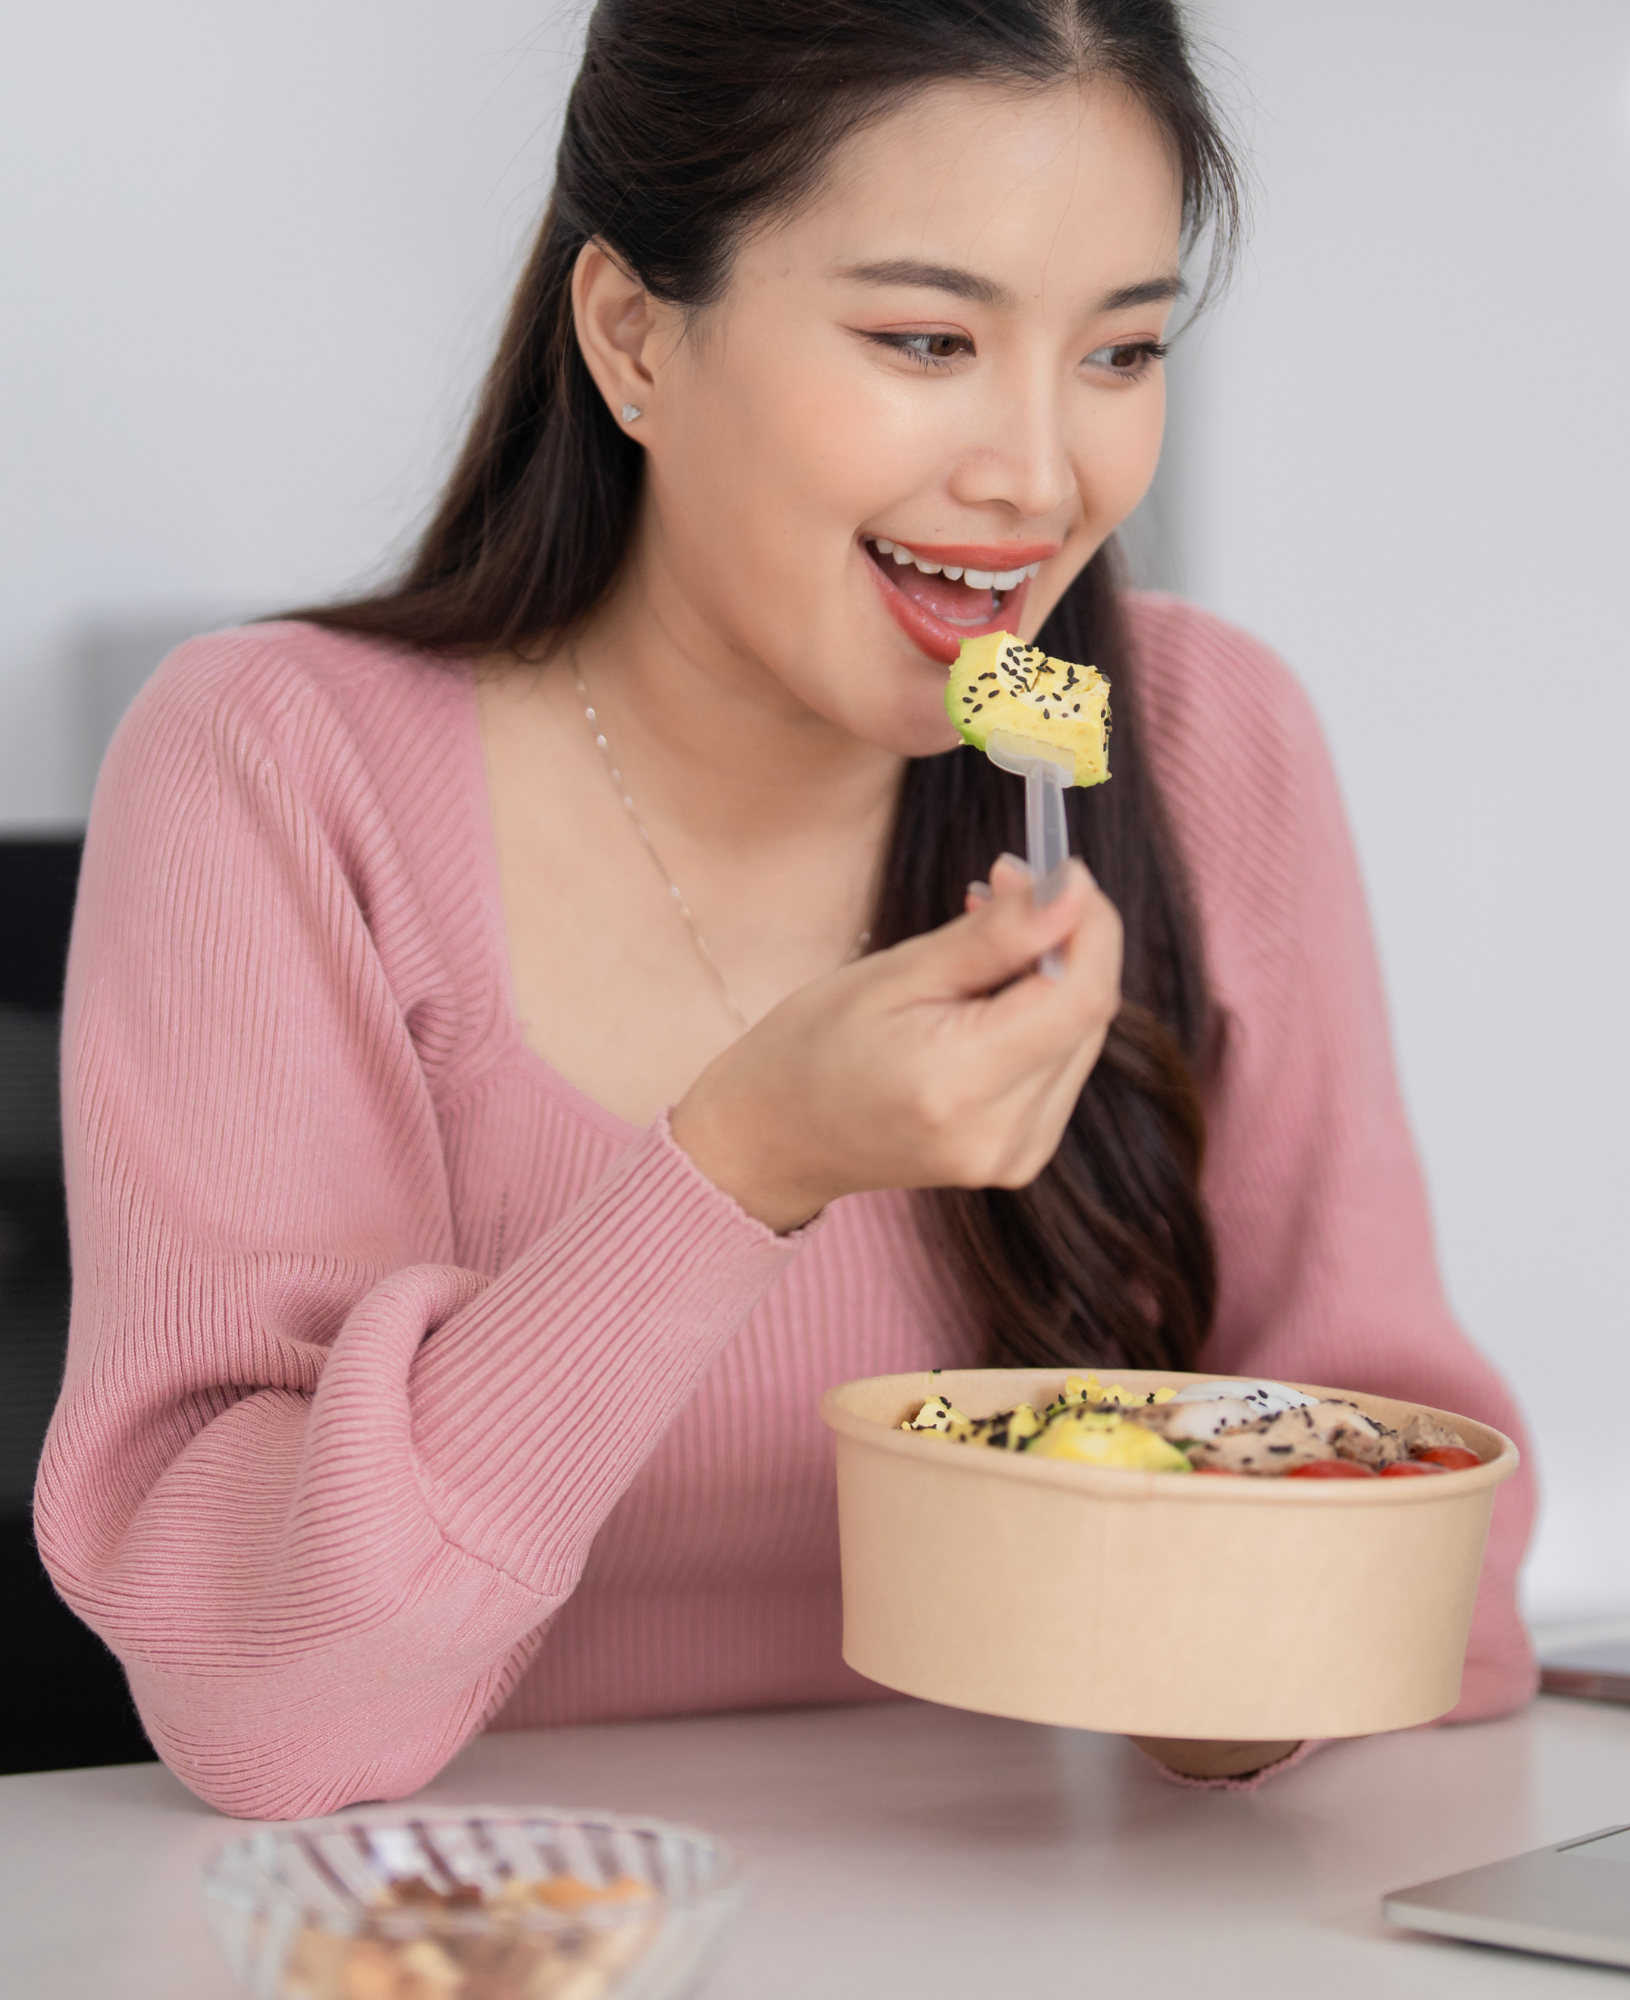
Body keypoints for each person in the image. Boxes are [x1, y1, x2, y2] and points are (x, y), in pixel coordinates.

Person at [36, 0, 1536, 1820]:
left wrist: (1248, 1654)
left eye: (1122, 354)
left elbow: (1442, 1581)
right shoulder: (280, 768)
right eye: (925, 337)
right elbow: (265, 1706)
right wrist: (736, 1166)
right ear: (634, 335)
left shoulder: (1205, 743)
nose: (1040, 479)